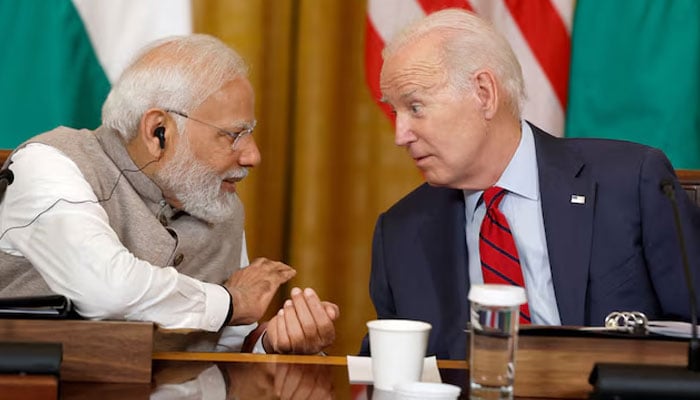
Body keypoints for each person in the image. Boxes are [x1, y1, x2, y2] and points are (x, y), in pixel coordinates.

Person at [361, 8, 700, 360]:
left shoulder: (630, 183)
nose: (401, 135)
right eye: (394, 112)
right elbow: (392, 369)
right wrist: (311, 351)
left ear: (483, 93)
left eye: (415, 107)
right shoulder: (401, 233)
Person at [0, 34, 338, 355]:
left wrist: (272, 343)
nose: (253, 156)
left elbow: (228, 342)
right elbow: (108, 290)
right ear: (157, 131)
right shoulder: (49, 163)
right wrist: (231, 301)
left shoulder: (216, 200)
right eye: (234, 135)